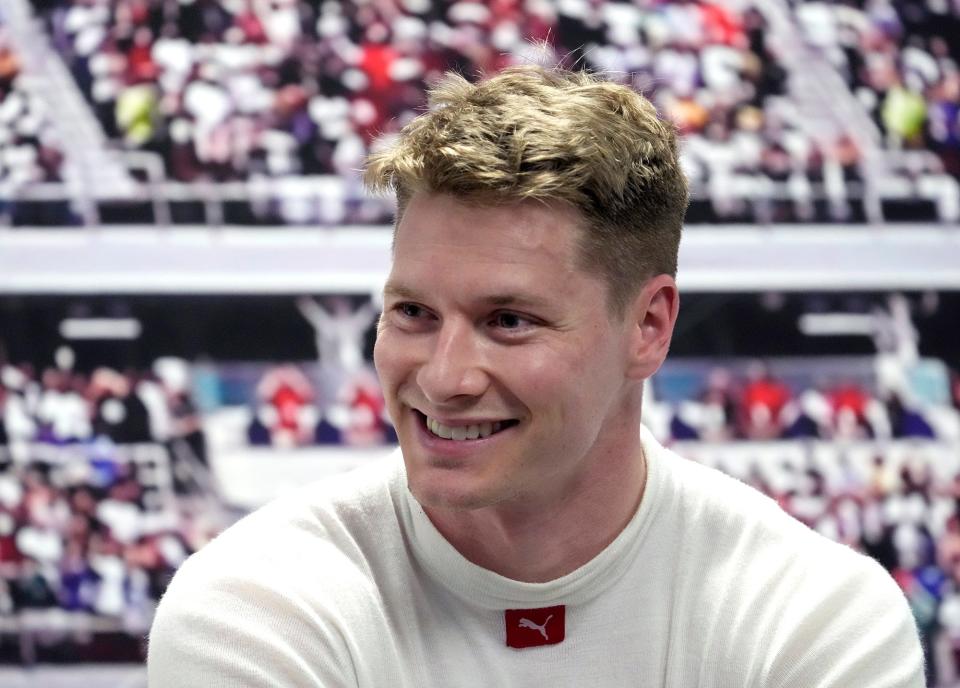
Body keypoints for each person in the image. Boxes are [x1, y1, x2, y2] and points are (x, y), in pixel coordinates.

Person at [147, 65, 924, 686]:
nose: (444, 377)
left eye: (508, 321)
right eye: (413, 312)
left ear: (648, 327)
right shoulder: (255, 607)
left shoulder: (814, 618)